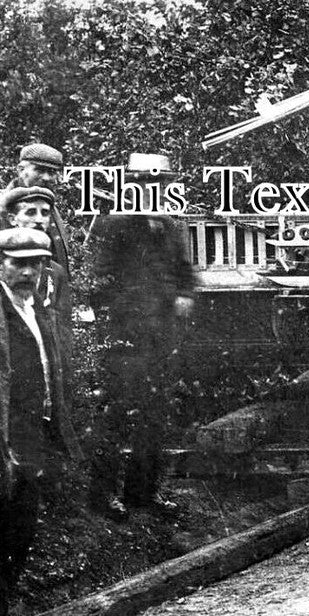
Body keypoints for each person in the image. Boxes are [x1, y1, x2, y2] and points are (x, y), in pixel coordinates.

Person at [88, 153, 195, 519]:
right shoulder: (114, 226)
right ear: (131, 186)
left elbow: (186, 274)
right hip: (126, 340)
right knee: (116, 414)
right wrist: (122, 319)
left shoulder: (169, 226)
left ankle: (143, 493)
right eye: (146, 184)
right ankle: (103, 496)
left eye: (160, 184)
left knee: (156, 416)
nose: (153, 190)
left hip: (162, 339)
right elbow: (99, 280)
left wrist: (183, 295)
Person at [0, 227, 82, 616]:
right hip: (7, 432)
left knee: (23, 519)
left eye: (36, 264)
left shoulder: (38, 310)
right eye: (19, 264)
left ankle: (11, 592)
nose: (28, 273)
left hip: (36, 430)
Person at [2, 187, 74, 379]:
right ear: (12, 219)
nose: (39, 219)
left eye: (45, 213)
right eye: (31, 212)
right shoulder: (4, 266)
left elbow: (63, 331)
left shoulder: (55, 272)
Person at [6, 144, 70, 277]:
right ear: (21, 170)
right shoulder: (4, 206)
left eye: (51, 172)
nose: (46, 178)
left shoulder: (51, 209)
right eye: (39, 170)